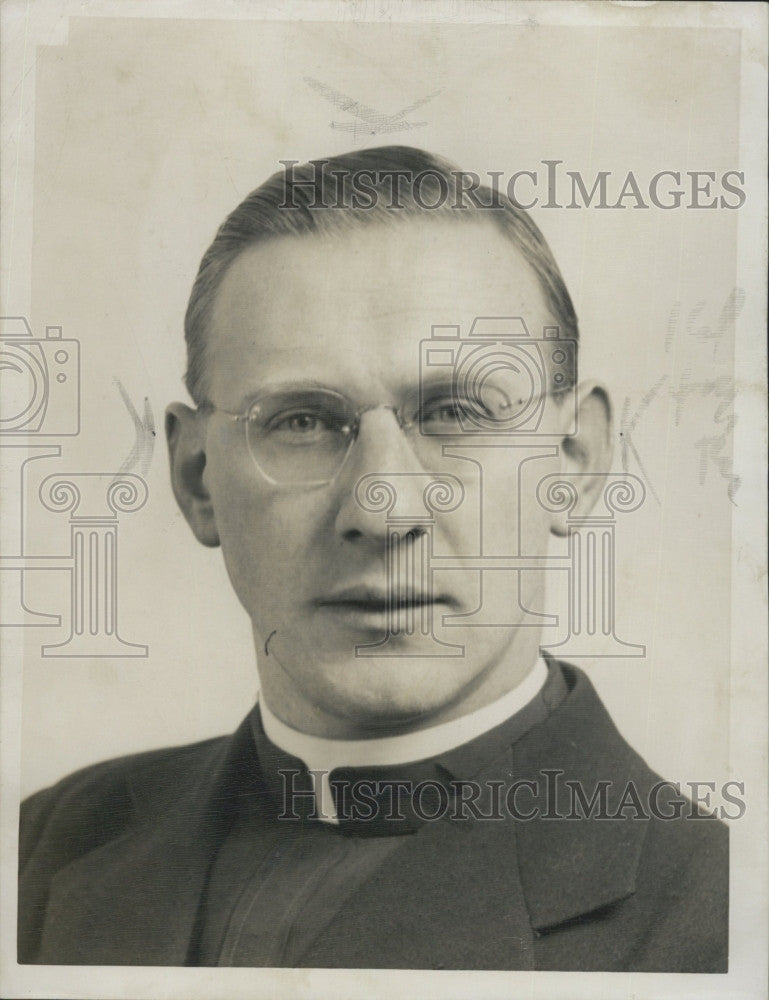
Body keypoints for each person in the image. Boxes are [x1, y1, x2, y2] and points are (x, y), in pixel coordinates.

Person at [18, 147, 728, 971]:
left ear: (572, 460)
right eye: (300, 422)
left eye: (456, 412)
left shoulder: (721, 920)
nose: (383, 509)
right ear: (195, 477)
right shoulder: (43, 851)